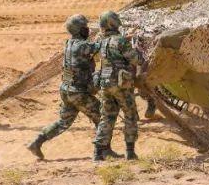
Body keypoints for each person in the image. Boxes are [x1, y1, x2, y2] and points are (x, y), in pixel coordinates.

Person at [26, 14, 108, 160]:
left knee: (63, 122)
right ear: (78, 30)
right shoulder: (82, 46)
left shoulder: (69, 43)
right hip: (78, 92)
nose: (87, 29)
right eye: (85, 27)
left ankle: (37, 142)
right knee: (102, 117)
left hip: (66, 90)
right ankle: (102, 152)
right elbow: (101, 46)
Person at [94, 10, 142, 162]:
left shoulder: (101, 42)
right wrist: (136, 50)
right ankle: (130, 152)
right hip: (121, 84)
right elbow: (136, 60)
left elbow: (98, 58)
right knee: (130, 114)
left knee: (107, 117)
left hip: (105, 83)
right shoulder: (120, 41)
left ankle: (98, 153)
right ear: (114, 24)